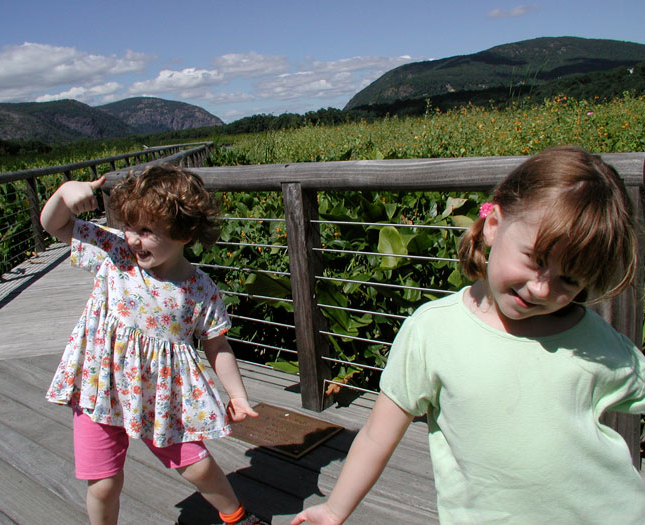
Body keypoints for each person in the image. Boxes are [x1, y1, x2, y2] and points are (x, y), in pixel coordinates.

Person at [291, 146, 645, 524]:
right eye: (535, 260)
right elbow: (377, 437)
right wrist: (334, 509)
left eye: (569, 280)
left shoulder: (593, 340)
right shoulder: (434, 331)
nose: (541, 289)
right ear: (493, 225)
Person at [40, 164, 268, 525]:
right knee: (103, 483)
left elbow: (217, 345)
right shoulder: (114, 254)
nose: (132, 238)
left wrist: (236, 395)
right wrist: (64, 192)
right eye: (129, 226)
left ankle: (236, 517)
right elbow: (55, 225)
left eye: (146, 230)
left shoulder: (199, 289)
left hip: (160, 395)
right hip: (98, 388)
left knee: (198, 466)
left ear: (184, 232)